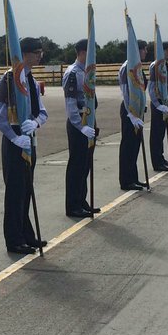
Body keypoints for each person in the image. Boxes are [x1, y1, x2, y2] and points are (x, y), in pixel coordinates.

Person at [0, 37, 48, 253]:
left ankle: (27, 235)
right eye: (37, 52)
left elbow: (42, 112)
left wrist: (35, 123)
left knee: (26, 190)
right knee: (15, 192)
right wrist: (14, 138)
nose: (40, 56)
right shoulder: (9, 79)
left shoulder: (32, 81)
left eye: (40, 52)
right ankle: (14, 239)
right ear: (24, 54)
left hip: (29, 140)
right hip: (14, 140)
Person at [62, 39, 100, 216]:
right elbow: (71, 105)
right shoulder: (73, 73)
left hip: (89, 121)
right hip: (79, 123)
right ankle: (73, 205)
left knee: (85, 165)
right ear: (83, 53)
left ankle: (81, 200)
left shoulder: (87, 71)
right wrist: (81, 126)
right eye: (92, 53)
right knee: (77, 165)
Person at [118, 40, 148, 190]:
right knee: (128, 146)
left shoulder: (137, 66)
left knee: (135, 146)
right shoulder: (127, 67)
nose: (146, 52)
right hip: (129, 110)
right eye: (144, 49)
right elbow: (126, 92)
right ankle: (126, 180)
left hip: (137, 110)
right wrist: (131, 114)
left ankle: (133, 177)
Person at [148, 43, 168, 172]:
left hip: (164, 101)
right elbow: (152, 87)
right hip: (158, 103)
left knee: (162, 133)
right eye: (167, 50)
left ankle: (161, 157)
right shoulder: (155, 66)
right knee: (156, 134)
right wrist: (158, 105)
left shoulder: (164, 64)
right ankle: (157, 161)